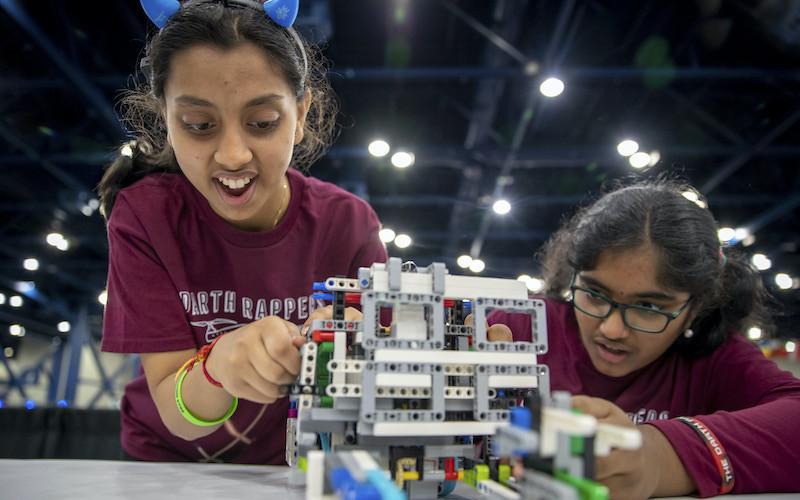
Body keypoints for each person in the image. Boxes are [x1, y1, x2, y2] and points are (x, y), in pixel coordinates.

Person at [98, 0, 387, 463]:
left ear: (301, 115)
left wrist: (360, 344)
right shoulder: (144, 216)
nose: (233, 155)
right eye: (198, 126)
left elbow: (383, 368)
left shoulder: (349, 224)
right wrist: (216, 370)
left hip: (289, 465)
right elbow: (172, 403)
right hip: (167, 465)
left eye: (262, 124)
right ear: (165, 120)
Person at [488, 178, 800, 498]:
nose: (611, 329)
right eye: (594, 293)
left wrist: (660, 457)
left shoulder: (714, 357)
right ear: (573, 276)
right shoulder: (521, 325)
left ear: (695, 308)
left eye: (648, 306)